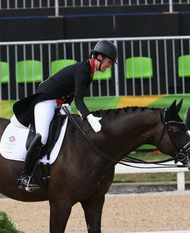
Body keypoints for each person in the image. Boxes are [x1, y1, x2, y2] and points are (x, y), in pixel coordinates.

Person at [12, 40, 117, 191]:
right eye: (109, 62)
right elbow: (79, 100)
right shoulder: (84, 70)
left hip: (58, 102)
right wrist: (90, 117)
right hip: (46, 100)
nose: (110, 66)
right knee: (43, 136)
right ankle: (25, 177)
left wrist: (75, 111)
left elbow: (72, 95)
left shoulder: (89, 71)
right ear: (99, 57)